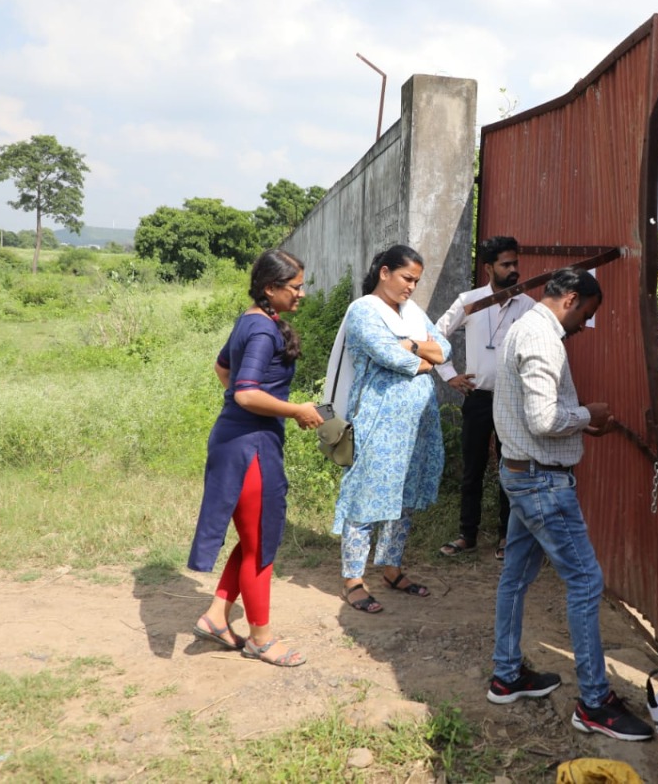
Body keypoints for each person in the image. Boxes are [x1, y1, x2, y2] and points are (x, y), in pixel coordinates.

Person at [486, 267, 654, 741]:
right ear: (572, 300)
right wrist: (588, 415)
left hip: (521, 474)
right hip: (541, 483)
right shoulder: (542, 337)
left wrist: (580, 423)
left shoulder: (523, 325)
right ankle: (595, 703)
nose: (584, 325)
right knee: (585, 581)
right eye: (587, 314)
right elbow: (542, 418)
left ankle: (507, 675)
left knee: (515, 577)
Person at [187, 248, 321, 668]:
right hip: (250, 448)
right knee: (261, 543)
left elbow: (222, 368)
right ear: (270, 288)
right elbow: (244, 391)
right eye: (295, 287)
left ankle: (215, 617)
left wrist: (266, 406)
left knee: (251, 538)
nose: (301, 294)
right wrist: (295, 409)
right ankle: (261, 638)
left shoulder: (251, 320)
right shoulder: (263, 332)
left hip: (234, 438)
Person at [326, 244, 451, 613]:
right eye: (406, 278)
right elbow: (392, 357)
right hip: (378, 422)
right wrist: (418, 355)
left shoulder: (410, 313)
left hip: (416, 425)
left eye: (416, 280)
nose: (412, 287)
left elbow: (443, 351)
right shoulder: (363, 311)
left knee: (403, 499)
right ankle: (353, 579)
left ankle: (392, 569)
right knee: (367, 498)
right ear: (384, 272)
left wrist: (411, 343)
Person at [433, 236, 534, 560]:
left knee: (511, 469)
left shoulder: (528, 306)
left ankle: (508, 537)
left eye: (515, 263)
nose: (514, 270)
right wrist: (450, 375)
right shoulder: (470, 301)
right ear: (488, 267)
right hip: (478, 399)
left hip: (512, 401)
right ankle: (468, 534)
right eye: (506, 264)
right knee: (473, 468)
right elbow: (435, 335)